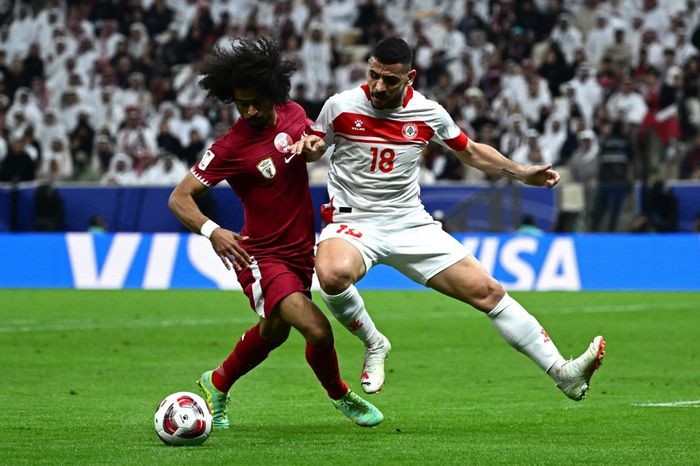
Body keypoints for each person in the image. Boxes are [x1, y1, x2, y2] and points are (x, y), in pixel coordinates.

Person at [291, 37, 605, 402]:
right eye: (373, 75)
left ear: (410, 77)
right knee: (330, 275)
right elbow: (313, 146)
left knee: (489, 292)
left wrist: (520, 172)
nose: (378, 86)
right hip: (354, 221)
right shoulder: (340, 105)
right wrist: (310, 149)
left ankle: (563, 373)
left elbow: (470, 152)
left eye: (390, 80)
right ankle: (374, 343)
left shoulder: (428, 113)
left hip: (410, 223)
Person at [167, 37, 382, 430]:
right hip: (261, 256)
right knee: (316, 329)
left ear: (273, 93)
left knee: (275, 331)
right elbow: (179, 198)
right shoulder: (229, 147)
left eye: (257, 101)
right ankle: (341, 395)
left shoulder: (294, 113)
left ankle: (216, 384)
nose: (249, 110)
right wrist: (213, 231)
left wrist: (314, 148)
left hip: (301, 250)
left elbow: (315, 145)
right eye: (241, 102)